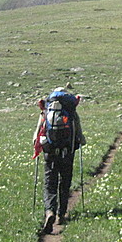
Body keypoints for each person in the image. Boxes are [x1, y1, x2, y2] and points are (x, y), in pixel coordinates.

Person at [33, 86, 86, 233]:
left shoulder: (46, 110)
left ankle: (50, 211)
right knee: (65, 180)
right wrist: (79, 141)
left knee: (50, 182)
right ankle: (61, 214)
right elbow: (80, 135)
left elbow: (37, 133)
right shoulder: (70, 111)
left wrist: (37, 145)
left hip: (50, 151)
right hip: (67, 151)